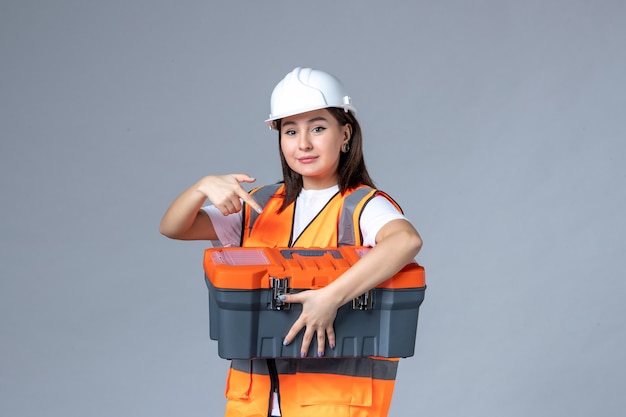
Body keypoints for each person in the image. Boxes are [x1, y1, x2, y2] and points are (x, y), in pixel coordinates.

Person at [160, 67, 423, 417]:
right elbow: (174, 227)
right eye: (290, 130)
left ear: (345, 134)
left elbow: (405, 241)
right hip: (255, 403)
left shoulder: (362, 206)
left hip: (331, 405)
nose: (303, 144)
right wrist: (200, 187)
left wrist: (330, 298)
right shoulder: (260, 204)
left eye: (317, 127)